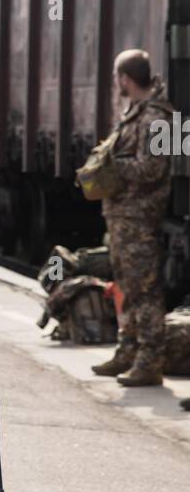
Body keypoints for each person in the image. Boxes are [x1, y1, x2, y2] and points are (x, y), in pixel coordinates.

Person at [91, 49, 172, 387]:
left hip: (140, 218)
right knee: (127, 287)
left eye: (116, 76)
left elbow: (153, 168)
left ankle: (150, 359)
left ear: (125, 79)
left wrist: (110, 166)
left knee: (145, 291)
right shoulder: (136, 113)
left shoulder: (157, 118)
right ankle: (129, 350)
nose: (116, 82)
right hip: (124, 216)